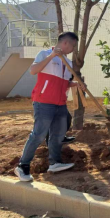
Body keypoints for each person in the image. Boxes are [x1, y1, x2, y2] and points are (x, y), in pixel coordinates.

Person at [15, 32, 86, 182]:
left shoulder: (68, 63)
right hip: (44, 102)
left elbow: (63, 83)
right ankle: (23, 166)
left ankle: (55, 162)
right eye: (73, 45)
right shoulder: (45, 54)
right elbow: (33, 70)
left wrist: (76, 84)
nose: (74, 49)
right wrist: (52, 55)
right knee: (39, 134)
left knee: (57, 135)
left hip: (60, 103)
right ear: (66, 43)